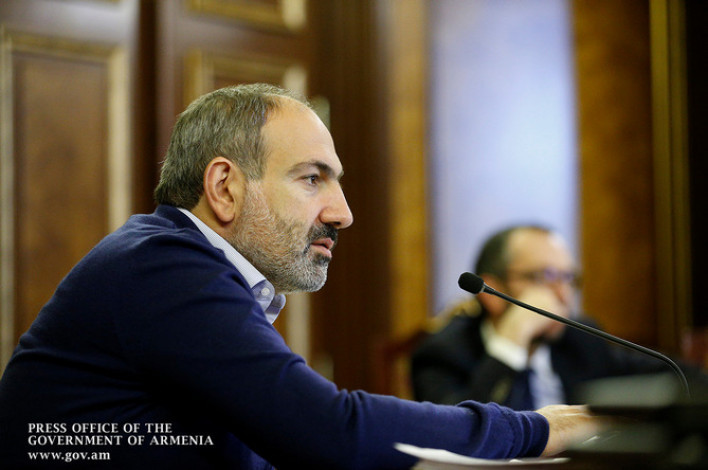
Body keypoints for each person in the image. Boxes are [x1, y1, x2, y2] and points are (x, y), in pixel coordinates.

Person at [0, 84, 600, 469]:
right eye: (313, 179)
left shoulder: (182, 266)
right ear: (225, 187)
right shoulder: (160, 266)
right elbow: (329, 431)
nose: (343, 213)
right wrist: (538, 429)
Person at [411, 224, 704, 410]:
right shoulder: (443, 353)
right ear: (492, 291)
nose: (563, 295)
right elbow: (459, 431)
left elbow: (679, 378)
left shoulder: (581, 339)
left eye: (568, 278)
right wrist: (511, 341)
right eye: (547, 277)